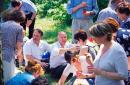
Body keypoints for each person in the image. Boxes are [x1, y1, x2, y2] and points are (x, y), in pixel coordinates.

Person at [0, 10, 25, 82]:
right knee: (9, 79)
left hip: (1, 53)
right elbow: (19, 46)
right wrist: (20, 56)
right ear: (20, 19)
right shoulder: (19, 28)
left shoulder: (1, 25)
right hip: (9, 55)